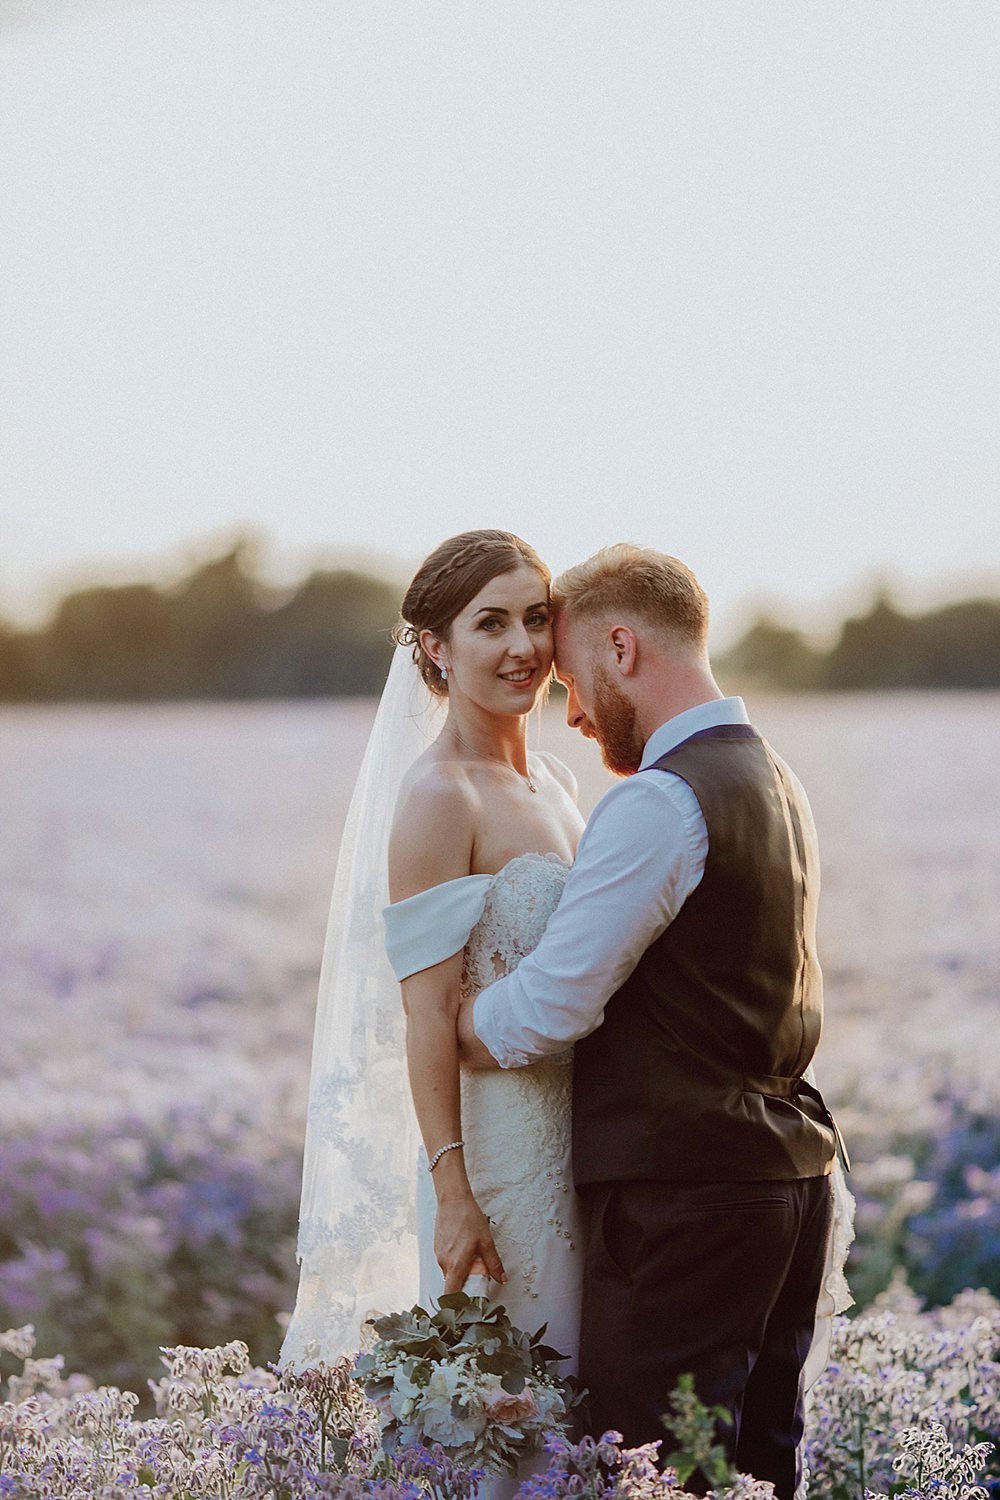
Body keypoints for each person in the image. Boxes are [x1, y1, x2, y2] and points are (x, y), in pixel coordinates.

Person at [459, 543, 851, 1500]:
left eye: (572, 682)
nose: (576, 714)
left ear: (622, 647)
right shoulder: (773, 777)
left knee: (651, 1470)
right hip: (783, 1183)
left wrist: (450, 1025)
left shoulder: (661, 799)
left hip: (689, 1198)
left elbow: (551, 1004)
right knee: (753, 1468)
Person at [280, 530, 587, 1390]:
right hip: (496, 1161)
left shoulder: (555, 786)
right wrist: (454, 1193)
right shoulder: (437, 794)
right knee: (504, 1404)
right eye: (490, 625)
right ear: (435, 648)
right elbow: (425, 1014)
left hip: (582, 1145)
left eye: (535, 618)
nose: (523, 646)